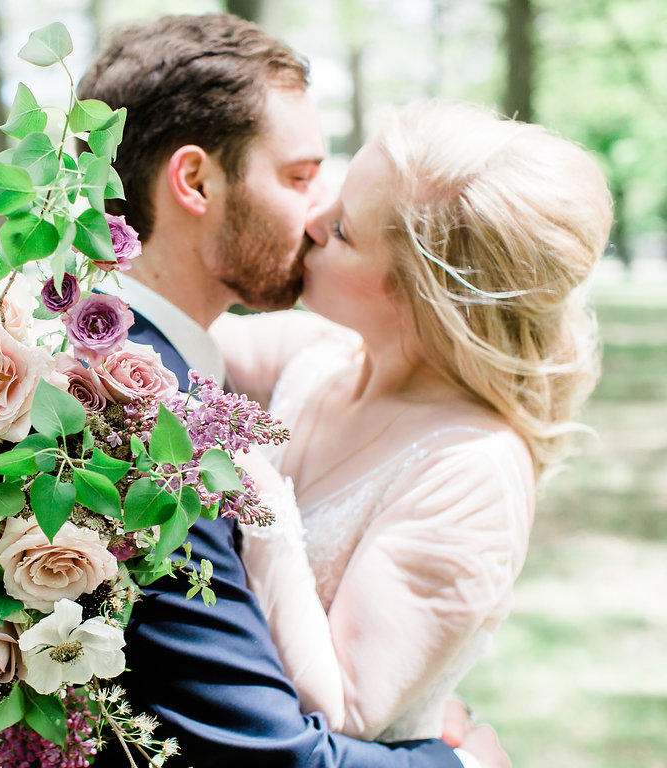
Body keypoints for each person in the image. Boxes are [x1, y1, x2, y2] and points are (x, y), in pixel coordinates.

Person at [78, 14, 509, 768]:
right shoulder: (152, 426)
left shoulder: (104, 357)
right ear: (195, 181)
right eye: (299, 178)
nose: (317, 217)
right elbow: (260, 754)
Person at [212, 100, 612, 742]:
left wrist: (251, 491)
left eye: (343, 231)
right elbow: (161, 344)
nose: (312, 220)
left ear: (423, 295)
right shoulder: (319, 358)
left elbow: (343, 710)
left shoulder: (471, 470)